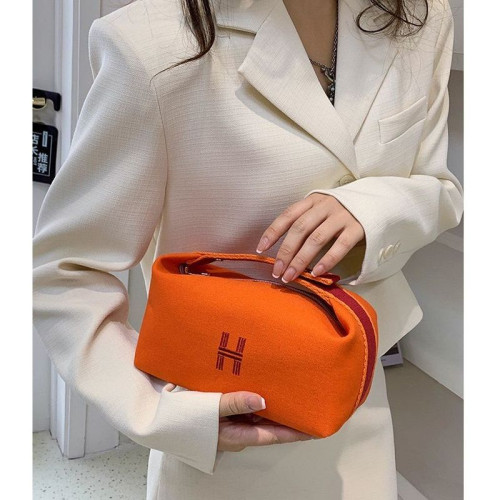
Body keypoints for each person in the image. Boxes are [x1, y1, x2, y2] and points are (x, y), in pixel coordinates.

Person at [32, 0, 463, 498]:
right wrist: (163, 412)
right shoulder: (150, 43)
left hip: (359, 401)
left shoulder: (420, 18)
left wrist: (373, 210)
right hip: (230, 417)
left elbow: (438, 186)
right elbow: (64, 273)